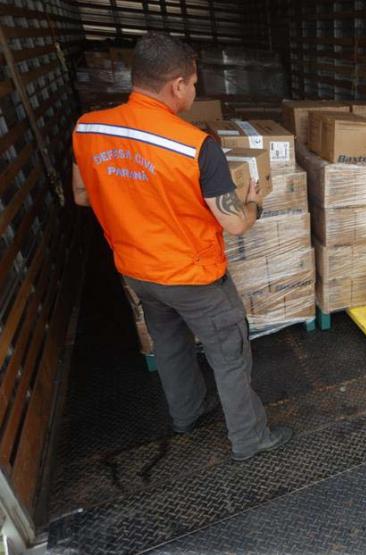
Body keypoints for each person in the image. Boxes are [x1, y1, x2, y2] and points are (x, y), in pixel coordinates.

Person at [71, 33, 292, 462]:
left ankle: (186, 417)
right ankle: (250, 439)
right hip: (194, 277)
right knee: (229, 354)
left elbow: (83, 194)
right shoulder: (194, 146)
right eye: (193, 83)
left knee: (170, 346)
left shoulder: (89, 128)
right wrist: (255, 205)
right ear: (176, 85)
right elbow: (234, 224)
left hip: (137, 271)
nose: (194, 91)